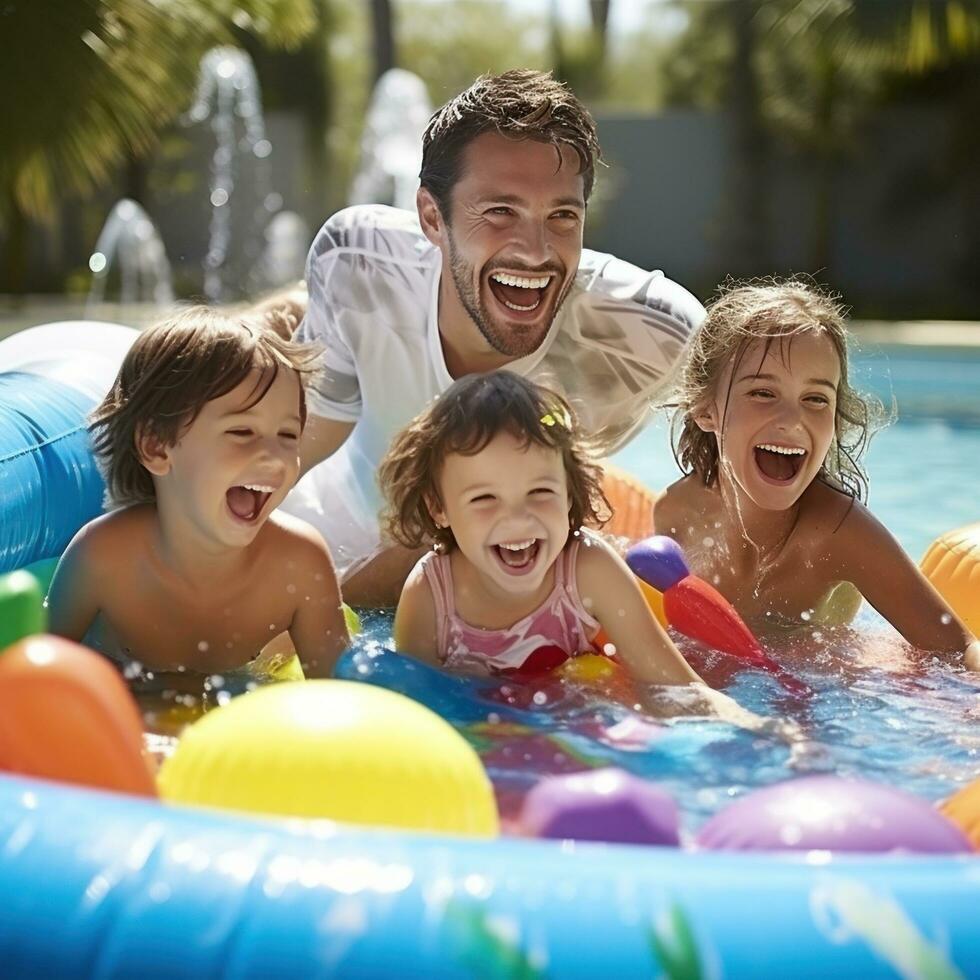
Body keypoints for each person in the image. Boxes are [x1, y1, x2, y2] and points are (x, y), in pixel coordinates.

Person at [285, 69, 706, 606]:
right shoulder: (359, 261)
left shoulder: (651, 332)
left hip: (510, 555)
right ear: (432, 218)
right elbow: (288, 446)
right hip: (343, 530)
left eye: (561, 216)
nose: (534, 250)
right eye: (500, 211)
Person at [378, 371, 776, 731]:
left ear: (569, 493)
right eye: (484, 499)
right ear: (439, 507)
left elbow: (673, 685)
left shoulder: (588, 568)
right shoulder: (431, 595)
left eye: (540, 493)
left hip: (577, 714)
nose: (518, 519)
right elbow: (420, 714)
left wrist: (748, 725)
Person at [655, 279, 980, 670]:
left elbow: (957, 650)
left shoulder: (840, 533)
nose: (792, 421)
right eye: (762, 393)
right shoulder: (675, 514)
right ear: (706, 410)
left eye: (815, 399)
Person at [47, 307, 350, 686]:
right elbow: (38, 678)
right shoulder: (103, 559)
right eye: (242, 431)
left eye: (288, 435)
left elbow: (342, 703)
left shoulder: (299, 564)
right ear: (157, 447)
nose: (273, 457)